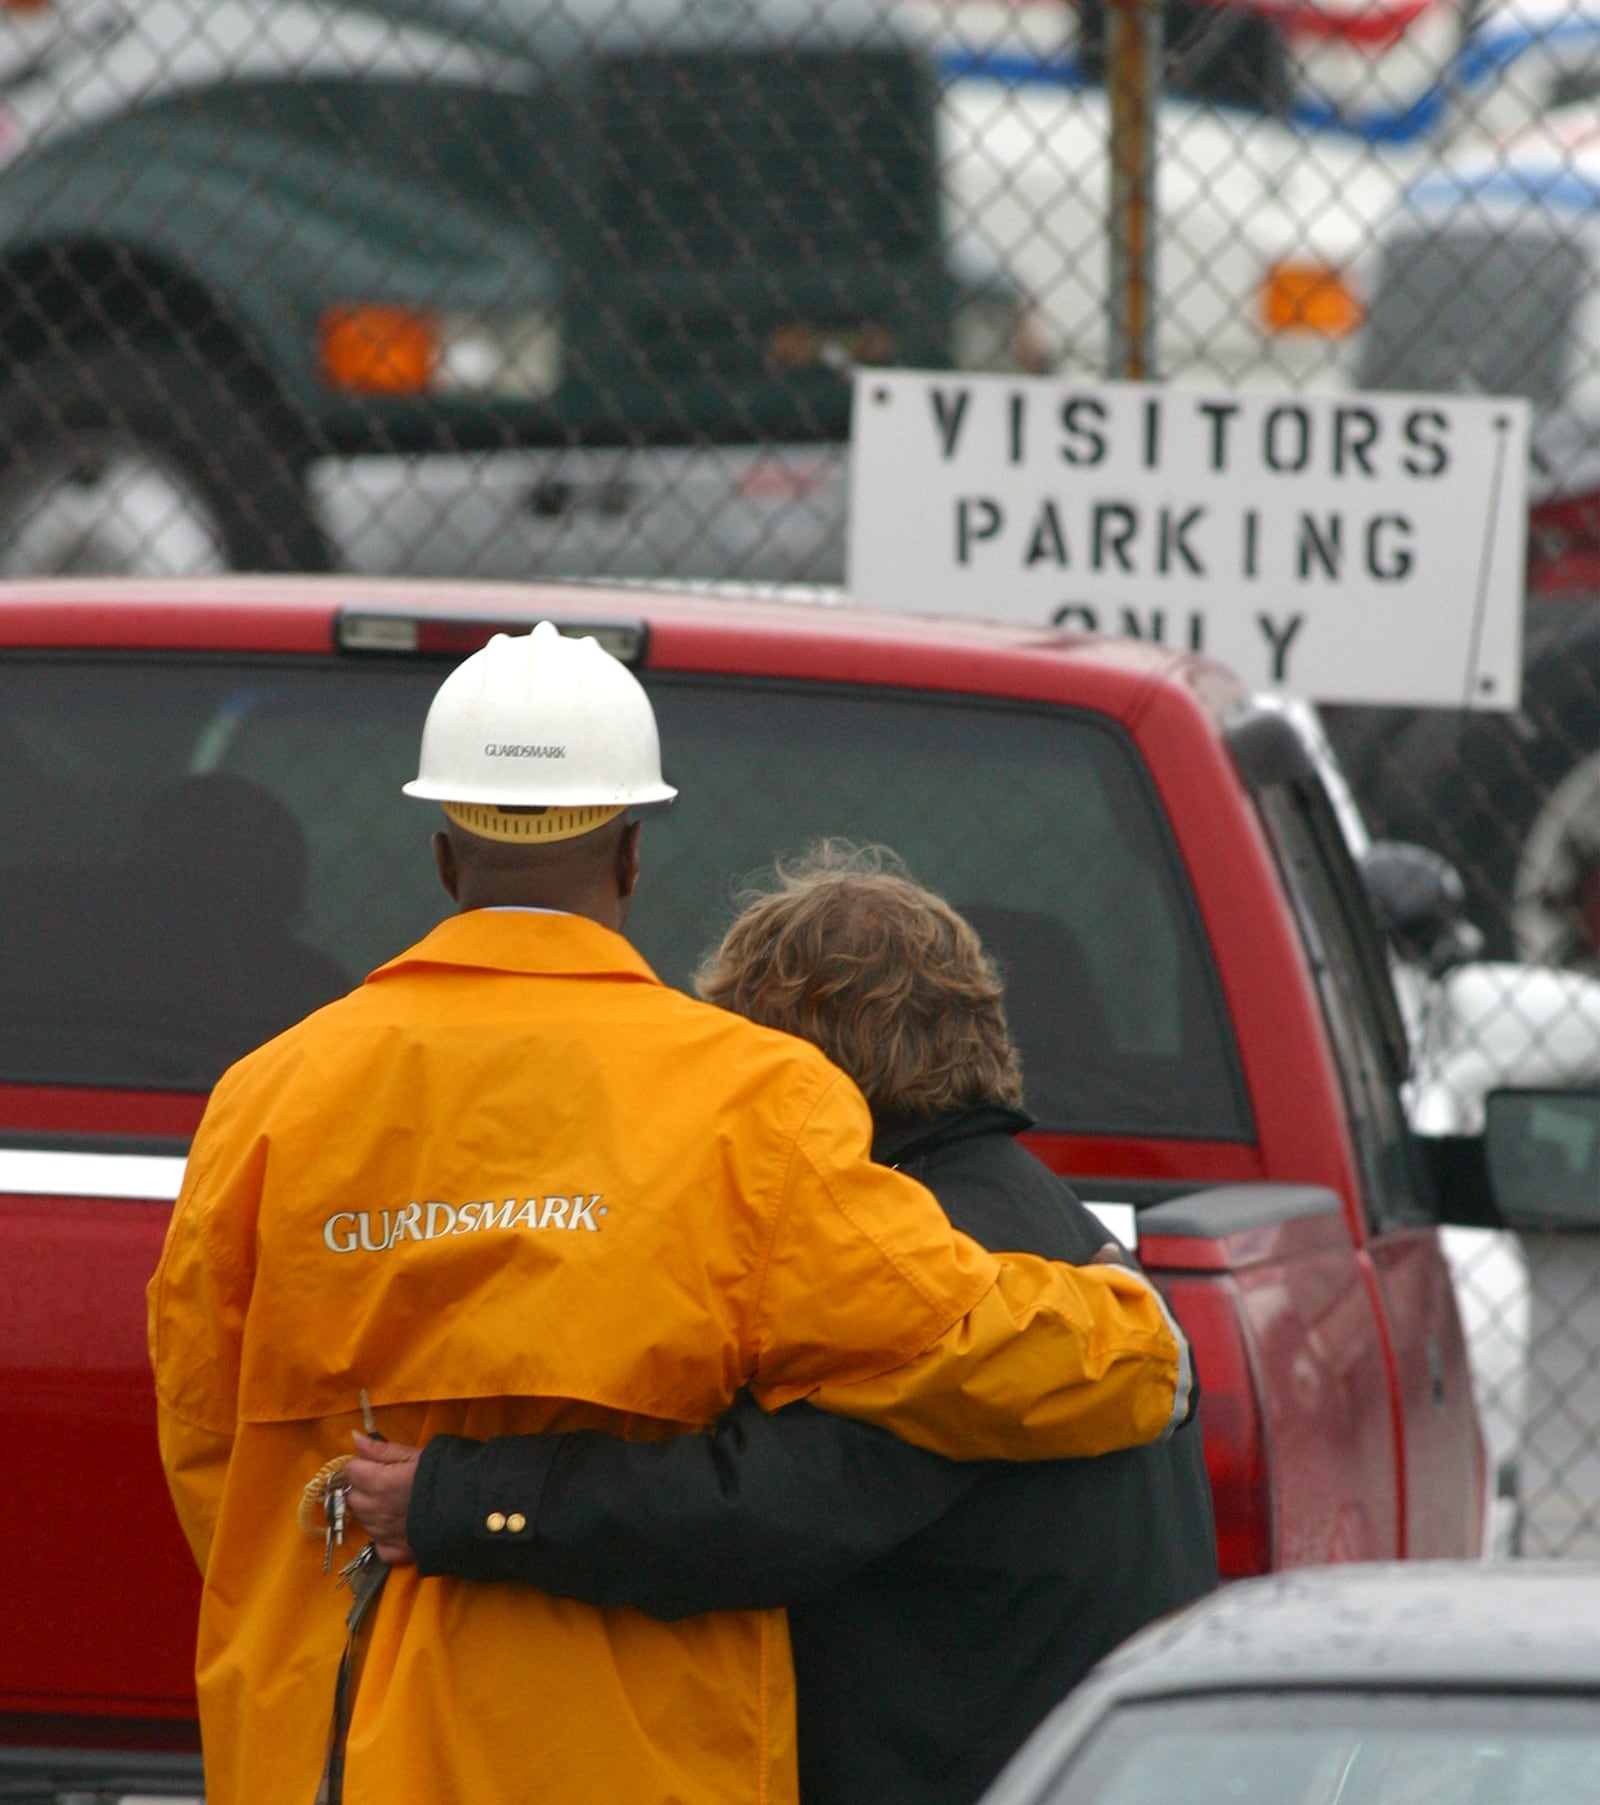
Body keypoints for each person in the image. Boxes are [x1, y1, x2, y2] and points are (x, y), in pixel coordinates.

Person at [147, 624, 1193, 1805]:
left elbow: (207, 1440)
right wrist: (1133, 1341)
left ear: (444, 857)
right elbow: (942, 1341)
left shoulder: (267, 1099)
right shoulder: (750, 1101)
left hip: (329, 1743)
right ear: (632, 857)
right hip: (630, 1758)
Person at [347, 846, 1219, 1805]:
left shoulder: (925, 1261)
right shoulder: (1054, 1231)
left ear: (784, 1066)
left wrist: (459, 1498)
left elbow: (753, 1512)